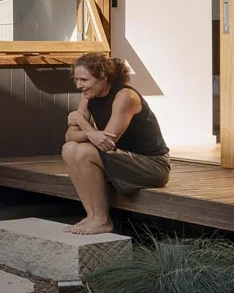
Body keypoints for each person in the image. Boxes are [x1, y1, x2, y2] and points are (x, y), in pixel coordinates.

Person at [60, 52, 170, 235]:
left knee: (84, 152)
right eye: (76, 80)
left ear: (103, 77)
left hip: (152, 166)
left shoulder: (125, 96)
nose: (79, 86)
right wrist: (90, 131)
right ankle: (92, 215)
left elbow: (107, 143)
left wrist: (82, 123)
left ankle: (103, 220)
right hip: (120, 159)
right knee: (69, 149)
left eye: (84, 80)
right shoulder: (88, 98)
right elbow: (70, 136)